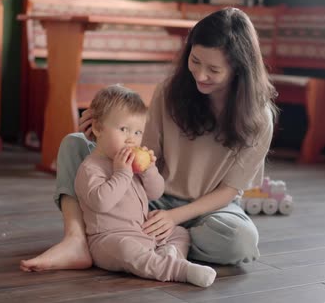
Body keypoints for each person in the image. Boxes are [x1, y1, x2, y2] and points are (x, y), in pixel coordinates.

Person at [20, 7, 276, 272]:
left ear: (239, 70)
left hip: (209, 211)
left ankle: (138, 240)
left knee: (240, 241)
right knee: (74, 144)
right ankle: (77, 240)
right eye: (195, 61)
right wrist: (104, 140)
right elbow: (142, 155)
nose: (200, 75)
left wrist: (173, 218)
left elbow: (229, 191)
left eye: (213, 69)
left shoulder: (259, 119)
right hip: (152, 197)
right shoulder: (170, 92)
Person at [68, 85, 216, 287]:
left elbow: (155, 193)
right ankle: (179, 269)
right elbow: (101, 202)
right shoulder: (90, 168)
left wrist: (149, 171)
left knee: (179, 232)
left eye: (138, 132)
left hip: (141, 233)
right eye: (123, 129)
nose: (131, 139)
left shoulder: (133, 165)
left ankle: (168, 255)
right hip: (109, 240)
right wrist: (122, 173)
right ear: (98, 128)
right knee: (127, 250)